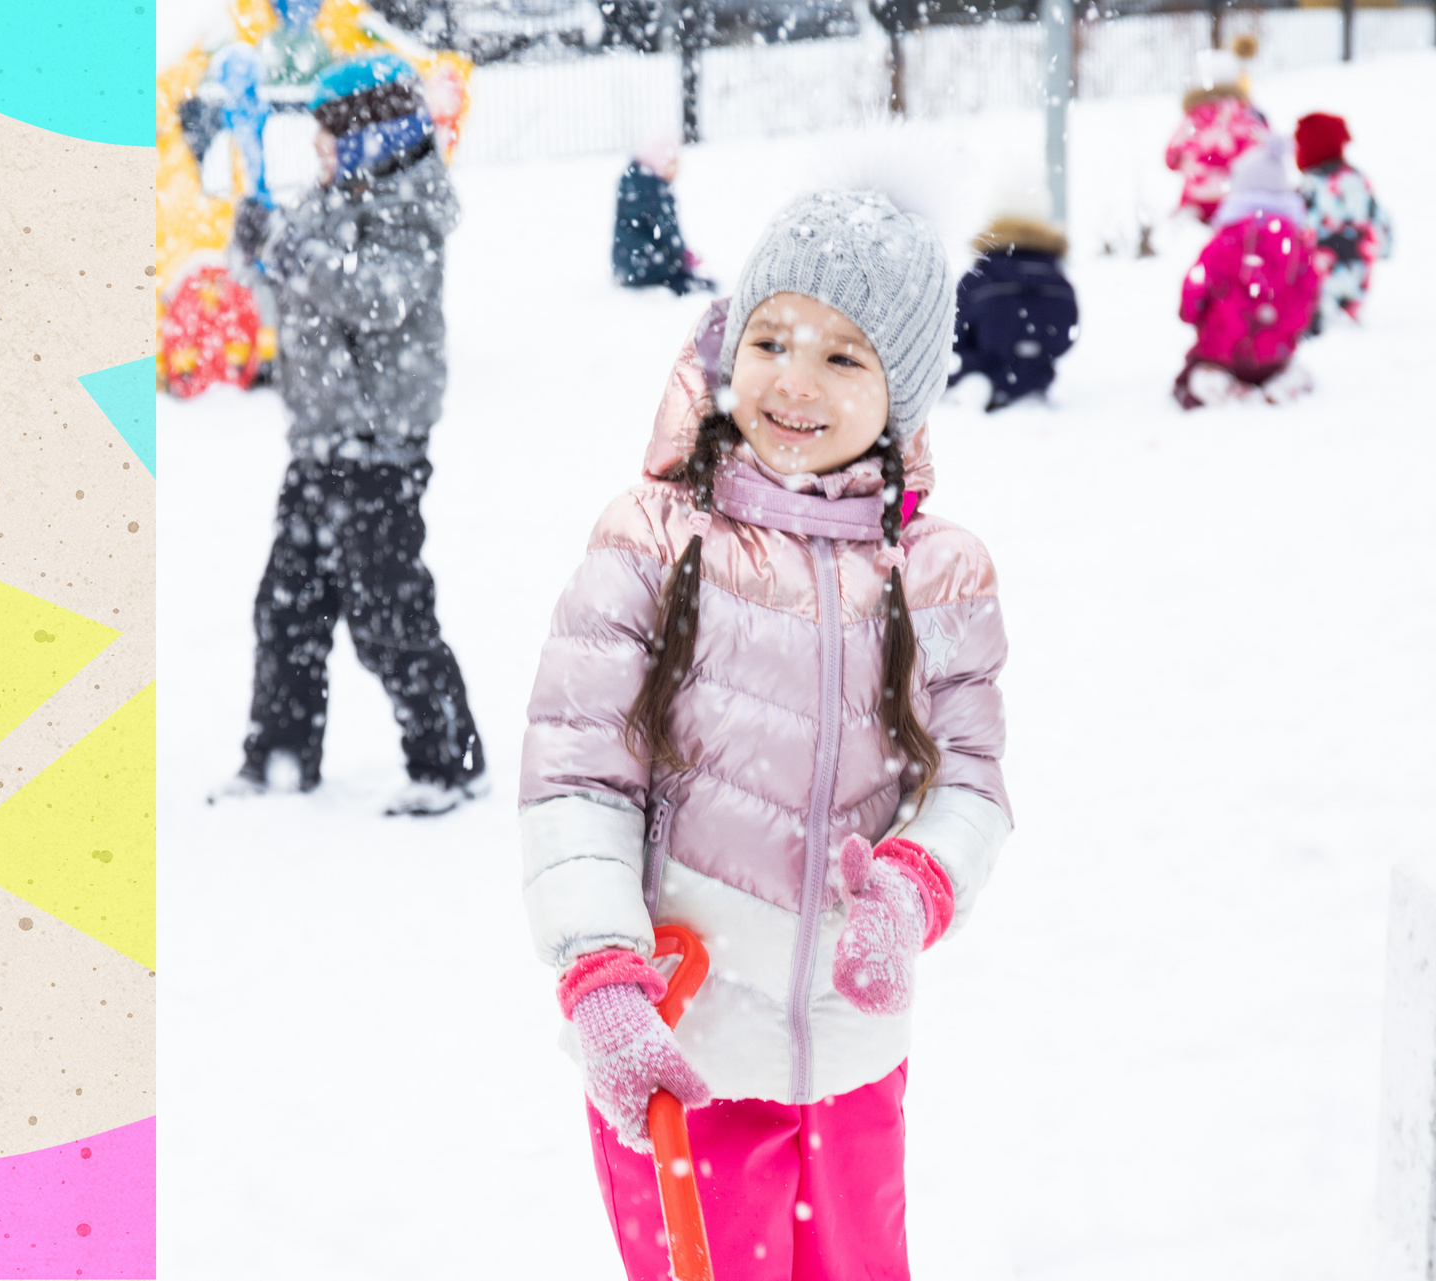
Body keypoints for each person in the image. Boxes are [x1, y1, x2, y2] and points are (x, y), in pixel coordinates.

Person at [520, 189, 1011, 1278]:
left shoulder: (940, 574)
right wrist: (599, 970)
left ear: (905, 393)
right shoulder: (647, 539)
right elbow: (575, 778)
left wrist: (914, 885)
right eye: (772, 337)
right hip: (680, 1047)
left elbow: (970, 780)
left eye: (847, 358)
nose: (795, 379)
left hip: (849, 1057)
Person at [215, 52, 485, 817]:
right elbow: (273, 283)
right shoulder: (328, 201)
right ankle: (279, 756)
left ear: (371, 136)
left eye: (329, 137)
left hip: (381, 446)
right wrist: (254, 239)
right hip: (319, 441)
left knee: (387, 614)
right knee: (287, 607)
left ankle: (451, 762)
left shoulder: (412, 207)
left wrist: (288, 249)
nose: (317, 152)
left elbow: (378, 298)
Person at [1176, 135, 1320, 409]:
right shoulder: (1299, 246)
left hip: (1220, 353)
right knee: (1292, 370)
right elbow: (1309, 293)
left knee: (1191, 379)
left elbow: (1195, 287)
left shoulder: (1225, 241)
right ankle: (1282, 383)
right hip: (1275, 355)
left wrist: (1190, 314)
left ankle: (1220, 387)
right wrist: (1289, 328)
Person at [947, 213, 1078, 411]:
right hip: (1040, 390)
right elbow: (1068, 333)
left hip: (978, 393)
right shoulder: (1058, 280)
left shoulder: (980, 277)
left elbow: (951, 332)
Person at [1294, 112, 1395, 330]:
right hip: (1358, 278)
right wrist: (1382, 248)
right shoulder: (1357, 179)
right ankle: (1344, 311)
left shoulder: (1312, 186)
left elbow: (1301, 230)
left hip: (1318, 282)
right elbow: (1381, 222)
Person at [611, 137, 714, 296]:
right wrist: (681, 258)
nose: (679, 168)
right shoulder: (655, 190)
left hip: (627, 264)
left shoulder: (634, 179)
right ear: (659, 161)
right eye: (673, 162)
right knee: (697, 284)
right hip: (647, 266)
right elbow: (667, 232)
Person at [1164, 77, 1268, 226]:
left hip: (1196, 201)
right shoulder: (1246, 115)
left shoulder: (1192, 117)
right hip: (1237, 202)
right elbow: (1267, 152)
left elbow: (1170, 159)